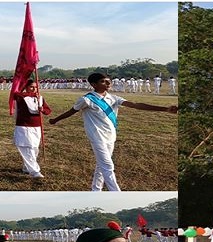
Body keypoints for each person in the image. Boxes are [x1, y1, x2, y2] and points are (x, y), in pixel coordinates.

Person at [48, 73, 177, 191]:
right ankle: (116, 192)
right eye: (103, 81)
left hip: (110, 136)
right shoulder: (87, 99)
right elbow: (71, 111)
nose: (108, 84)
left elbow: (136, 105)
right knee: (108, 165)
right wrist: (55, 120)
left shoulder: (114, 98)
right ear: (93, 84)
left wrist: (165, 109)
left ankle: (96, 190)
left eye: (108, 81)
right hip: (96, 136)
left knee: (101, 165)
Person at [12, 80, 52, 178]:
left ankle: (26, 167)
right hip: (24, 126)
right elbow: (15, 93)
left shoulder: (40, 98)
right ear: (25, 87)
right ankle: (35, 171)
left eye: (36, 87)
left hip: (36, 127)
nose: (34, 89)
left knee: (34, 148)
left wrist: (42, 109)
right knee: (27, 148)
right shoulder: (20, 97)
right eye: (31, 87)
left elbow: (48, 111)